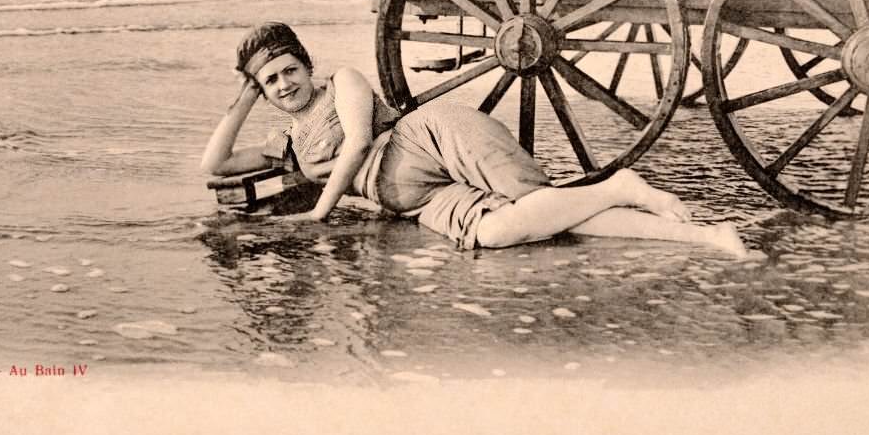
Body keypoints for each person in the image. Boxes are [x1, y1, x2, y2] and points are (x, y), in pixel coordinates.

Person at [202, 22, 747, 257]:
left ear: (307, 64)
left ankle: (682, 227)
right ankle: (689, 229)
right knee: (503, 231)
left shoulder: (342, 82)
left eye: (289, 70)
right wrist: (246, 95)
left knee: (537, 203)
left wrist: (319, 214)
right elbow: (217, 163)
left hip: (433, 138)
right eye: (271, 80)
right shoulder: (287, 140)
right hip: (416, 201)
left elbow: (358, 144)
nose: (285, 84)